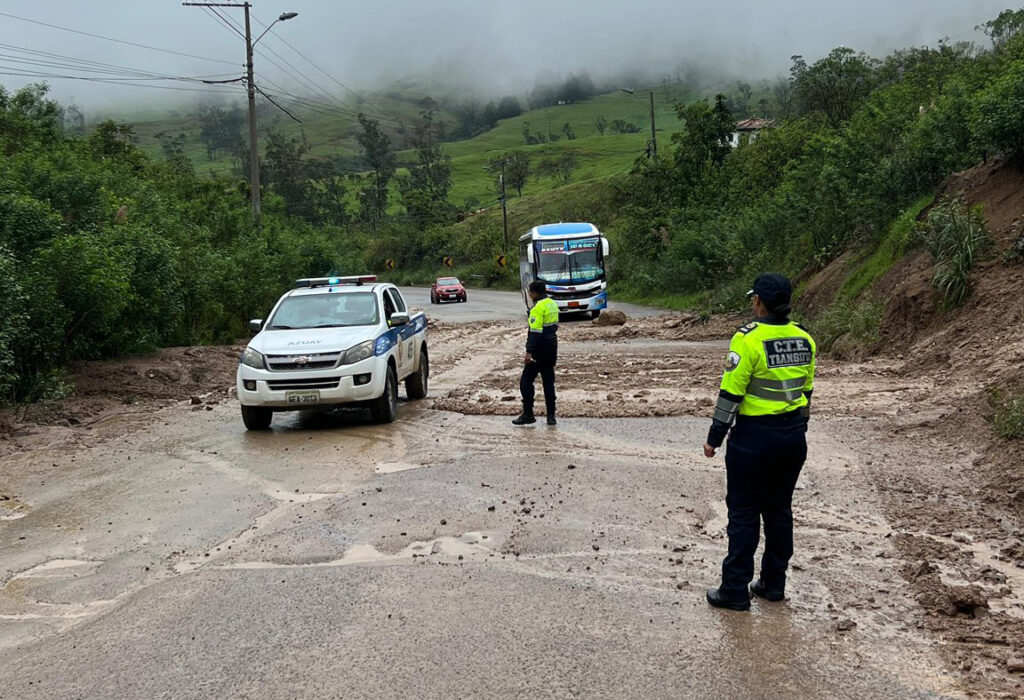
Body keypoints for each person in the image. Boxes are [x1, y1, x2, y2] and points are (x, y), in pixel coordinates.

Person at [703, 273, 816, 611]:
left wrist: (714, 438)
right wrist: (797, 429)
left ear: (759, 301)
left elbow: (730, 394)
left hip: (754, 440)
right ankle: (773, 584)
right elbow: (806, 392)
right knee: (780, 511)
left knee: (744, 513)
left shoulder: (747, 339)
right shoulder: (804, 339)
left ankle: (735, 590)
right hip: (792, 438)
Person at [513, 281, 560, 426]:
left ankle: (528, 414)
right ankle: (551, 417)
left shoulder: (537, 308)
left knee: (526, 382)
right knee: (548, 382)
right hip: (552, 347)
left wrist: (529, 352)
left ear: (534, 293)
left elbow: (535, 333)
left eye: (530, 292)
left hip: (539, 350)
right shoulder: (553, 304)